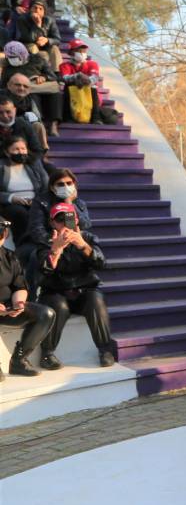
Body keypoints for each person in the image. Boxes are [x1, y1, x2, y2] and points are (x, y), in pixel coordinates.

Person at [36, 202, 115, 366]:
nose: (64, 224)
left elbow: (102, 264)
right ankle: (47, 354)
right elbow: (43, 271)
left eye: (68, 219)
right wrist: (55, 250)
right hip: (55, 291)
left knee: (96, 300)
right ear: (52, 223)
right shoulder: (45, 241)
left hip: (85, 289)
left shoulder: (88, 238)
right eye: (59, 220)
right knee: (59, 306)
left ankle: (105, 351)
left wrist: (83, 246)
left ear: (76, 220)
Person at [0, 215, 53, 376]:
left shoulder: (9, 256)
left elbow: (19, 284)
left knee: (45, 314)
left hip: (8, 307)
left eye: (1, 234)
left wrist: (19, 304)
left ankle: (19, 360)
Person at [0, 134, 43, 243]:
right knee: (20, 213)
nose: (21, 152)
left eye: (23, 148)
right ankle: (24, 243)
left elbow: (46, 185)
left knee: (38, 211)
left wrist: (37, 200)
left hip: (35, 201)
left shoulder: (34, 165)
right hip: (10, 205)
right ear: (7, 152)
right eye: (16, 149)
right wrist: (12, 198)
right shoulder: (1, 167)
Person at [58, 39, 101, 124]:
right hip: (74, 95)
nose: (82, 53)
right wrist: (78, 76)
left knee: (93, 87)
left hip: (88, 94)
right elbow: (65, 78)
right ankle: (68, 117)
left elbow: (94, 78)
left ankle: (96, 118)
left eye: (83, 51)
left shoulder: (92, 64)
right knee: (68, 86)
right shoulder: (64, 65)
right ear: (71, 53)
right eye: (78, 51)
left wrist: (83, 79)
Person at [11, 0, 58, 69]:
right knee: (33, 47)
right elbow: (27, 38)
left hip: (45, 46)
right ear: (30, 9)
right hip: (28, 45)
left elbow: (57, 39)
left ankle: (57, 73)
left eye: (40, 9)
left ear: (44, 12)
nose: (37, 10)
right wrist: (37, 25)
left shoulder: (50, 21)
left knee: (54, 48)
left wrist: (47, 40)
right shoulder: (22, 19)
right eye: (35, 7)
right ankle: (38, 70)